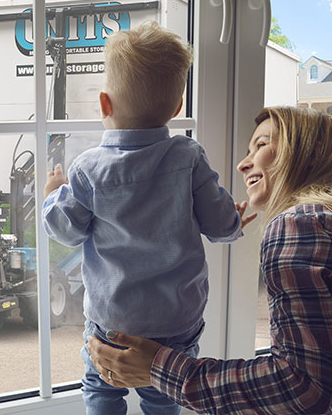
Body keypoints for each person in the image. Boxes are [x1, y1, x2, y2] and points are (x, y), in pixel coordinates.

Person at [88, 106, 332, 414]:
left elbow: (300, 387)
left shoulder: (302, 224)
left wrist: (159, 369)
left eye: (261, 145)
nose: (242, 164)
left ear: (304, 154)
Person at [42, 21, 257, 415]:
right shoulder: (187, 156)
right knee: (164, 394)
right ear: (176, 109)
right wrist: (235, 223)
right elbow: (219, 222)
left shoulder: (89, 168)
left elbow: (65, 231)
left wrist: (53, 194)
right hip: (176, 319)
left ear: (105, 104)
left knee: (102, 390)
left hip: (113, 319)